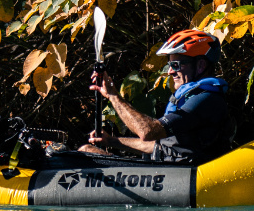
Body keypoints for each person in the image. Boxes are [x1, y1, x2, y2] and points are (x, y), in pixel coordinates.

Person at [79, 29, 232, 164]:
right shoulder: (192, 98)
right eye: (170, 65)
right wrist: (112, 141)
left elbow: (147, 132)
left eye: (176, 65)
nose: (170, 72)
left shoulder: (206, 100)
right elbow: (158, 145)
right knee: (87, 150)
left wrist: (113, 95)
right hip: (167, 172)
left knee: (85, 153)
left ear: (201, 66)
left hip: (179, 178)